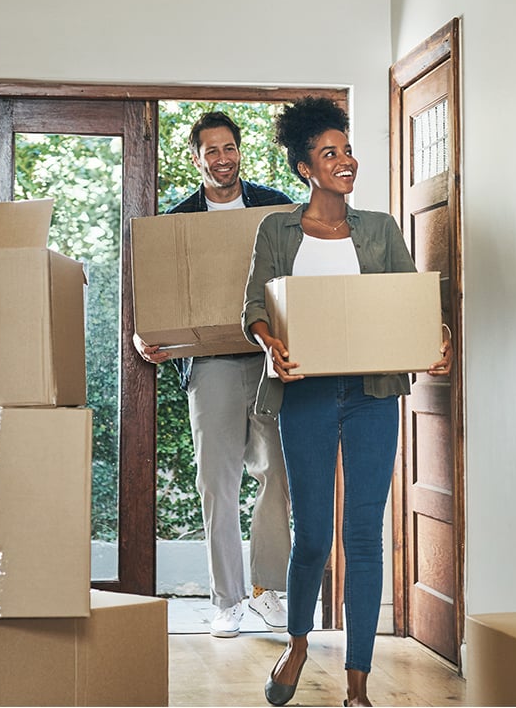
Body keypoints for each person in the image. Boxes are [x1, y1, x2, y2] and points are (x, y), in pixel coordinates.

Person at [242, 96, 452, 707]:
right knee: (310, 534)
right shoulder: (277, 230)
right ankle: (299, 643)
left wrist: (434, 338)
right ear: (305, 167)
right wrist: (267, 344)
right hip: (304, 393)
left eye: (347, 151)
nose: (345, 161)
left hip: (372, 395)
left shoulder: (379, 230)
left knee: (363, 534)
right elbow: (255, 306)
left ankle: (357, 683)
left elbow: (415, 303)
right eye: (329, 153)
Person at [133, 110, 293, 638]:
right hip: (211, 365)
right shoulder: (177, 222)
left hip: (270, 358)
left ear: (239, 151)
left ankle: (267, 588)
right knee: (217, 484)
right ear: (196, 158)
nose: (222, 159)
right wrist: (145, 335)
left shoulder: (275, 208)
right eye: (211, 152)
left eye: (230, 149)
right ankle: (226, 600)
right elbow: (152, 297)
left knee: (276, 475)